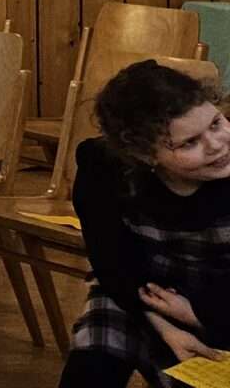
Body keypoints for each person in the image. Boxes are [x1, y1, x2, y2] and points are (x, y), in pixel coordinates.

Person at [63, 59, 230, 388]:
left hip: (220, 304)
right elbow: (110, 261)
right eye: (189, 143)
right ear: (144, 154)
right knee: (92, 366)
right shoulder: (102, 168)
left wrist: (196, 314)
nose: (217, 145)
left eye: (216, 123)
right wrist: (161, 324)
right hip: (140, 297)